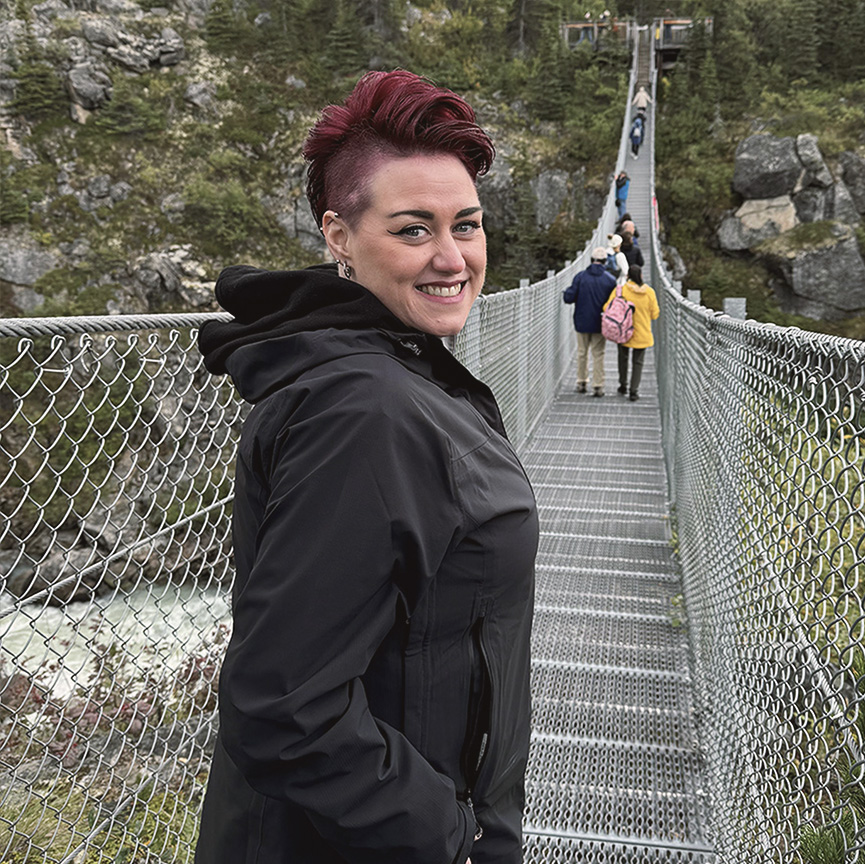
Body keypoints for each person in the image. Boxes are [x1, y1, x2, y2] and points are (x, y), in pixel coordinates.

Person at [193, 70, 538, 864]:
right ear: (339, 236)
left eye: (469, 225)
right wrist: (451, 837)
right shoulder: (363, 410)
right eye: (414, 230)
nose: (453, 258)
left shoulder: (399, 368)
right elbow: (282, 703)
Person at [563, 246, 616, 397]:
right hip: (600, 323)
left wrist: (567, 292)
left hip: (582, 322)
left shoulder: (580, 277)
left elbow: (569, 298)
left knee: (582, 352)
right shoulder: (610, 280)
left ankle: (581, 382)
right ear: (605, 261)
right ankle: (598, 385)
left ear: (591, 260)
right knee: (598, 353)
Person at [605, 264, 659, 401]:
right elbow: (654, 315)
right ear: (641, 276)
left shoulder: (621, 290)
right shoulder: (650, 293)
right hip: (642, 333)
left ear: (628, 276)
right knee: (638, 362)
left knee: (622, 358)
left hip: (623, 331)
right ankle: (633, 391)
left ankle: (623, 384)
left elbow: (607, 307)